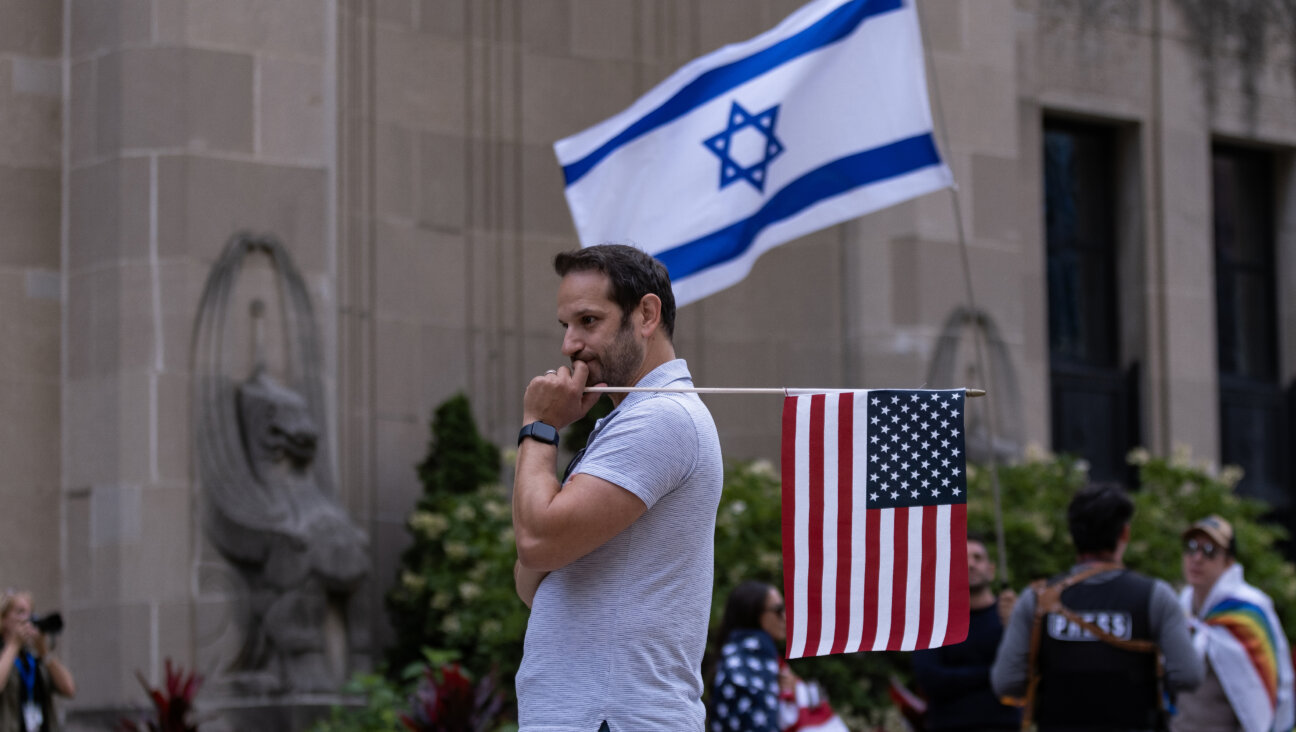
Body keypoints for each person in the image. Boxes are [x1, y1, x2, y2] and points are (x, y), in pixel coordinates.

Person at [511, 244, 723, 731]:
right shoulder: (636, 418)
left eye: (588, 321)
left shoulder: (660, 417)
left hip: (611, 716)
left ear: (646, 314)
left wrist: (539, 426)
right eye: (565, 326)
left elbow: (537, 544)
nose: (569, 346)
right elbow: (533, 578)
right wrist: (544, 548)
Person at [990, 482, 1203, 730]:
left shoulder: (1036, 599)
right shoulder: (1155, 595)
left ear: (1072, 535)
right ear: (1125, 533)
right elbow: (1189, 677)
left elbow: (1006, 683)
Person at [1171, 515, 1294, 732]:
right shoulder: (1183, 606)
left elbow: (1275, 686)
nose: (1197, 558)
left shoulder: (1250, 610)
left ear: (1229, 561)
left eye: (1209, 550)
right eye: (1191, 548)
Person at [912, 534, 1020, 732]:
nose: (971, 564)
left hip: (1004, 724)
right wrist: (994, 674)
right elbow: (930, 680)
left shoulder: (1012, 616)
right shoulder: (934, 621)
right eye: (963, 558)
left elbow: (1025, 672)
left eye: (978, 558)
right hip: (949, 725)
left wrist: (1015, 626)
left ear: (992, 569)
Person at [709, 581, 798, 732]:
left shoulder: (743, 655)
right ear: (754, 613)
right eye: (778, 610)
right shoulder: (749, 660)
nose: (785, 617)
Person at [0, 590, 74, 732]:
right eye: (20, 612)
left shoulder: (33, 658)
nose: (27, 619)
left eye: (30, 613)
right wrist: (13, 645)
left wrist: (44, 652)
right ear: (3, 619)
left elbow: (69, 689)